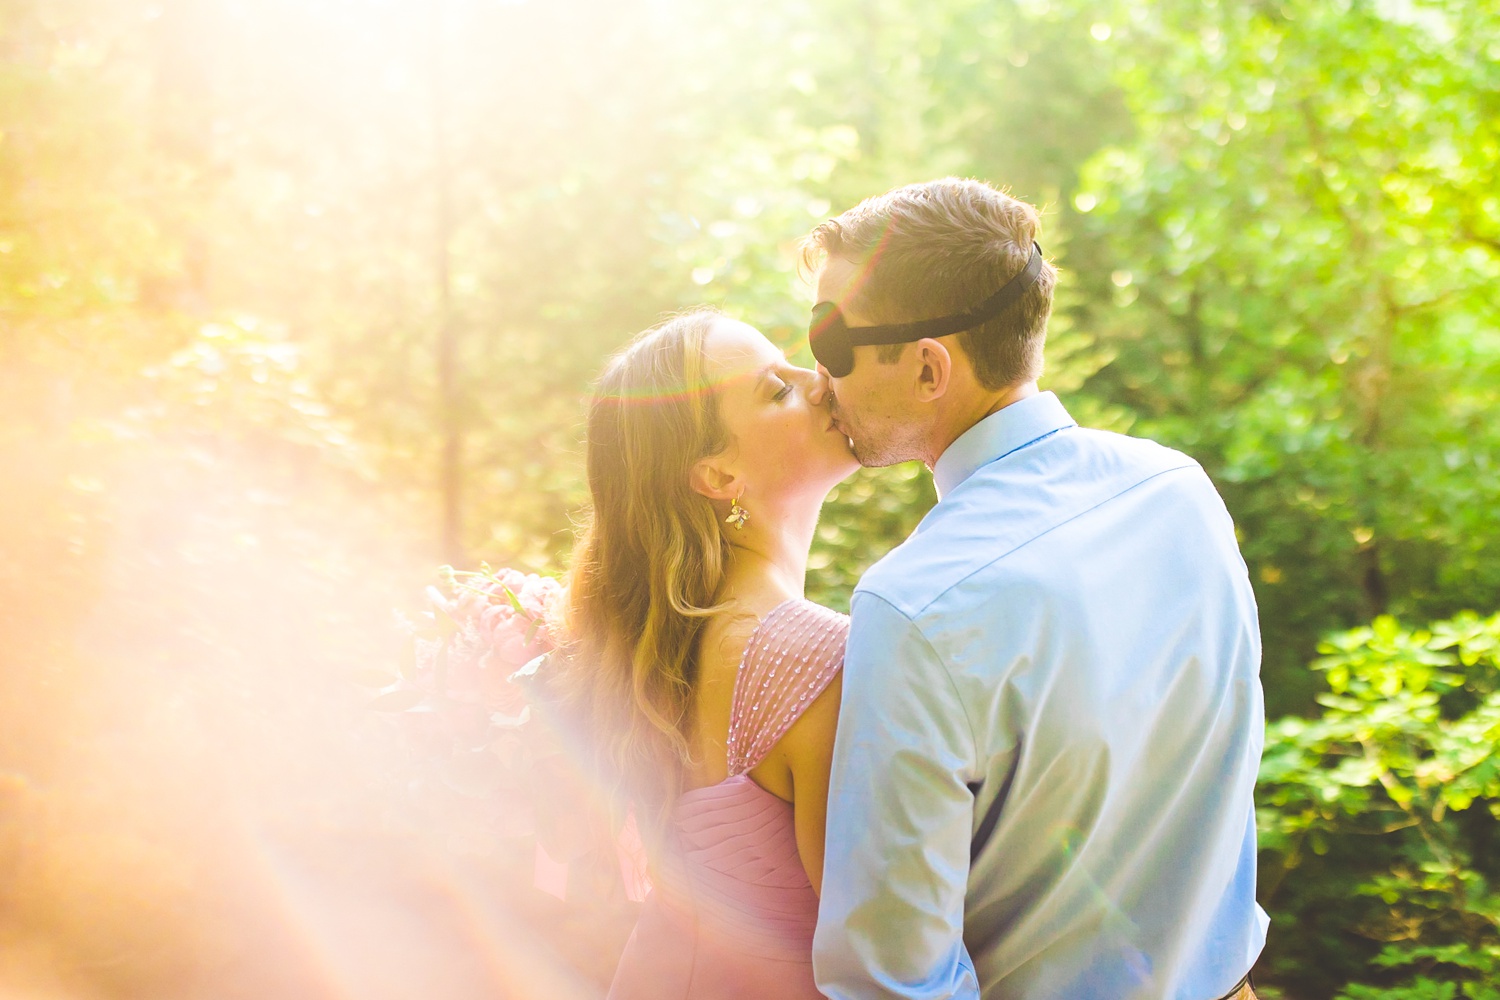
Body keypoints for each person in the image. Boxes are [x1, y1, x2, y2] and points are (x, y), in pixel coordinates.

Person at [803, 178, 1268, 1000]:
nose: (816, 376)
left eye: (832, 341)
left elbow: (891, 979)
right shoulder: (1180, 489)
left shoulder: (914, 605)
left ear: (926, 367)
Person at [554, 309, 859, 999]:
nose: (817, 382)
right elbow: (878, 957)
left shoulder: (653, 657)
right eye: (774, 390)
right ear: (718, 476)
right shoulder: (814, 658)